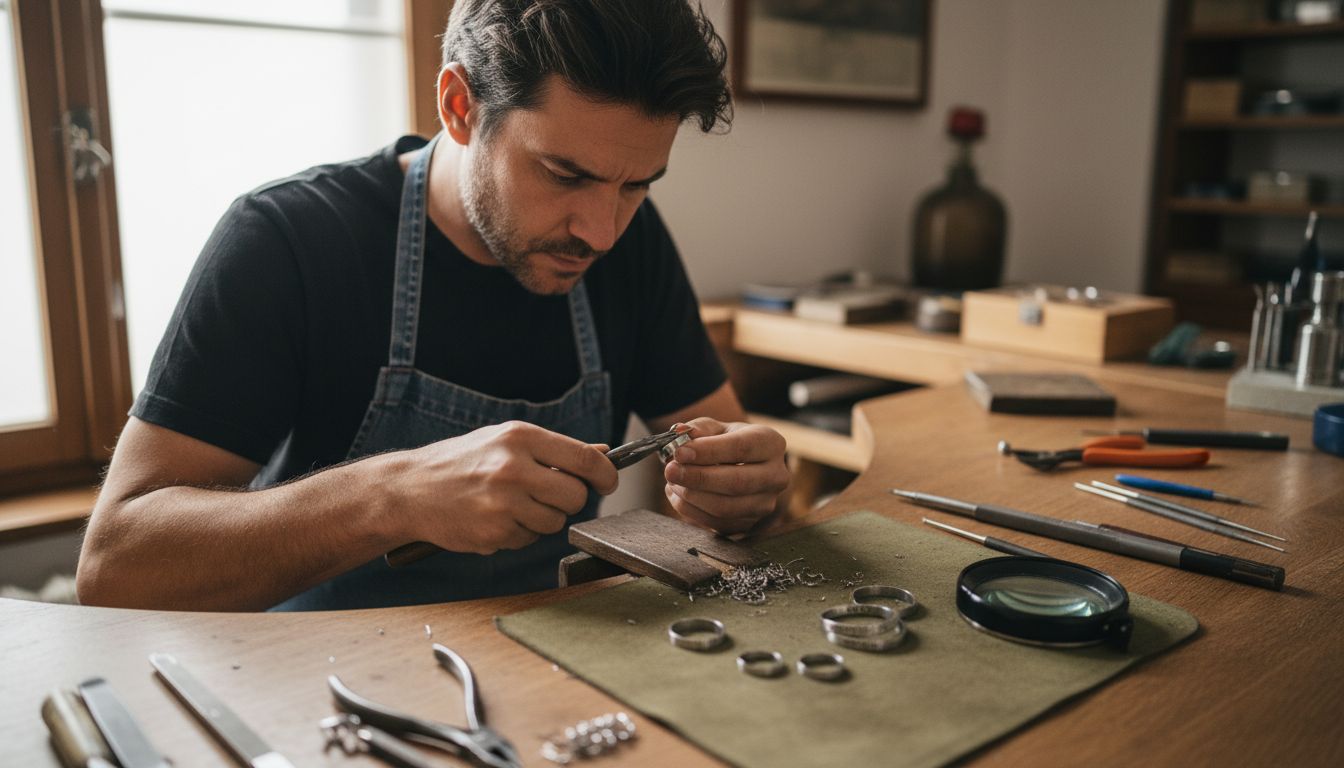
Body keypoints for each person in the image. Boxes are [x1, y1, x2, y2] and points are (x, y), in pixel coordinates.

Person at [76, 0, 790, 612]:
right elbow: (116, 567)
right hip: (313, 691)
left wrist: (747, 491)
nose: (600, 232)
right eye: (565, 174)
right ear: (459, 106)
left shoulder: (628, 248)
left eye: (638, 185)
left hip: (552, 668)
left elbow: (733, 460)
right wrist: (393, 496)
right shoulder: (288, 240)